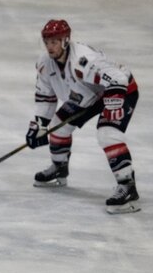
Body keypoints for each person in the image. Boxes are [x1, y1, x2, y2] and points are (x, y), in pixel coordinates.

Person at [27, 19, 140, 213]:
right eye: (47, 42)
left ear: (65, 41)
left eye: (54, 42)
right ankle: (59, 168)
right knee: (58, 126)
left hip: (119, 91)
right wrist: (39, 124)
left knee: (108, 134)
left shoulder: (83, 60)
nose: (50, 47)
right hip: (87, 94)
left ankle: (127, 186)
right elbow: (46, 97)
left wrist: (112, 105)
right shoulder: (45, 64)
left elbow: (118, 79)